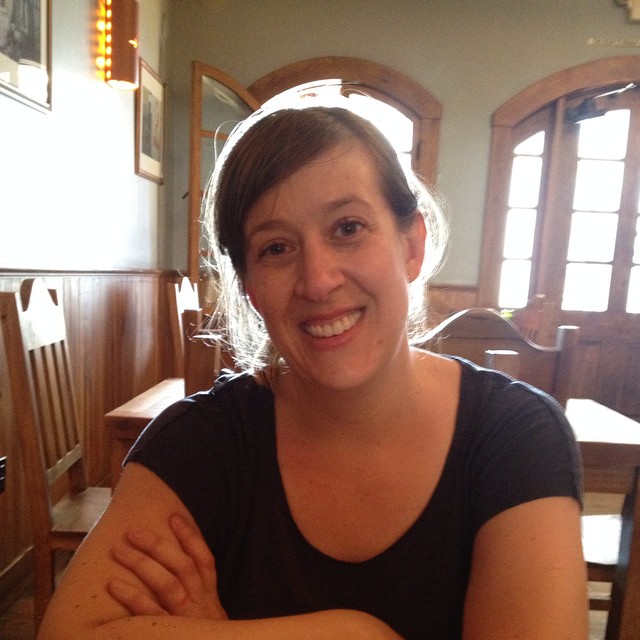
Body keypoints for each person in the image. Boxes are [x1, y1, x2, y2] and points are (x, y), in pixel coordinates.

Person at [38, 103, 588, 640]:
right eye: (276, 248)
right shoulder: (203, 443)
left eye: (348, 227)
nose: (318, 280)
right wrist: (355, 631)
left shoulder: (514, 436)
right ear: (252, 289)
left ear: (411, 246)